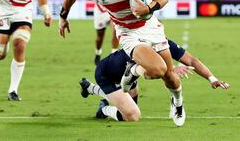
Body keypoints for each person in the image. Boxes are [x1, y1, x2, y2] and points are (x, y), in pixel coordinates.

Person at [59, 0, 185, 126]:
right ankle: (131, 71)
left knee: (170, 75)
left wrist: (149, 8)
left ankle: (177, 102)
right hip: (127, 33)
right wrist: (63, 17)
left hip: (150, 26)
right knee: (157, 69)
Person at [79, 39, 230, 122]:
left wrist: (212, 78)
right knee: (132, 116)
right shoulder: (138, 44)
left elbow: (191, 60)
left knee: (129, 101)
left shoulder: (163, 43)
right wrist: (171, 70)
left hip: (130, 77)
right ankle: (103, 110)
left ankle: (89, 88)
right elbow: (151, 71)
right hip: (107, 75)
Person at [92, 1, 119, 65]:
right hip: (100, 11)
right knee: (100, 36)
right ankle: (98, 53)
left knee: (116, 30)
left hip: (112, 9)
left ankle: (114, 56)